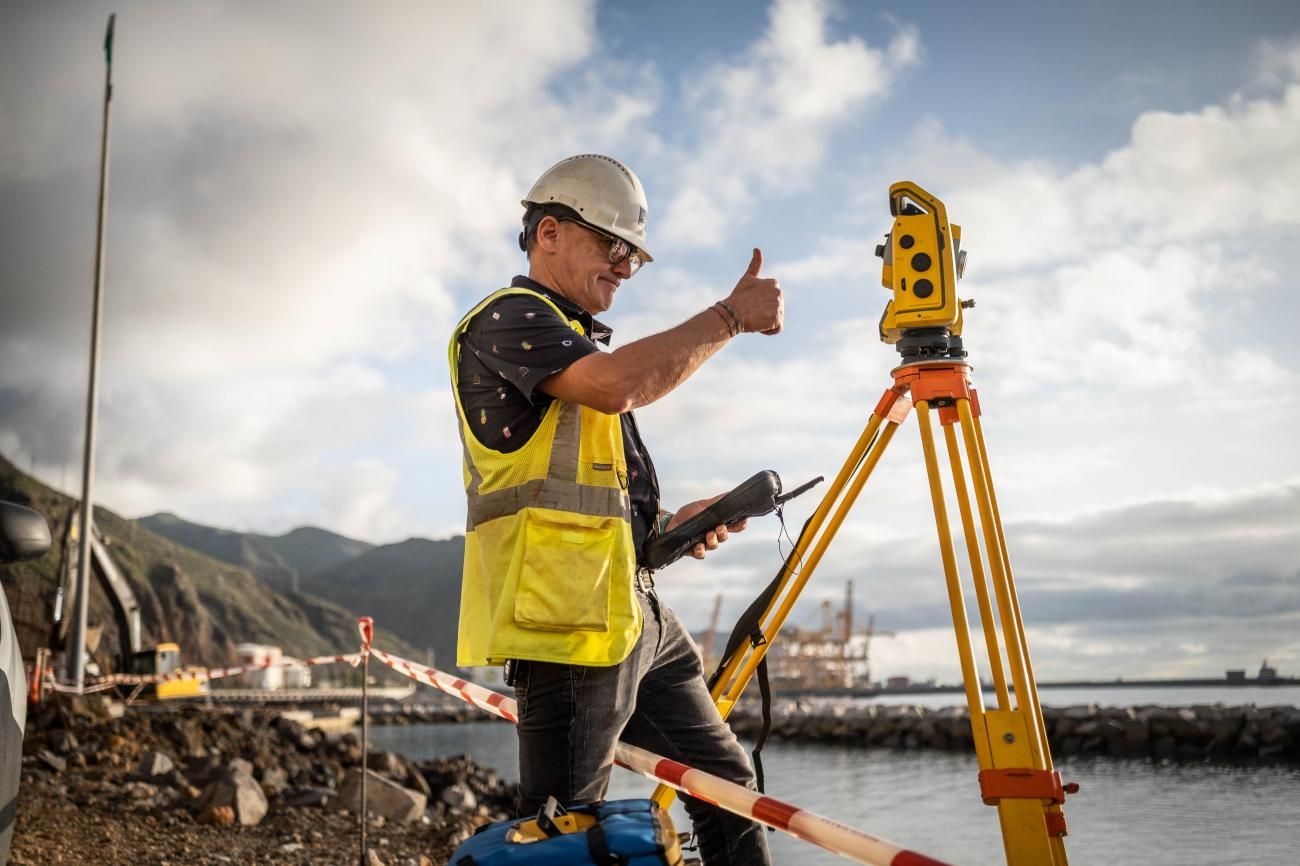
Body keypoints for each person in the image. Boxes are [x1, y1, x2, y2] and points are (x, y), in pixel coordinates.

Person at [449, 153, 782, 866]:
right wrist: (728, 317)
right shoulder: (509, 320)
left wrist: (669, 526)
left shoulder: (567, 341)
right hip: (567, 629)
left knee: (726, 786)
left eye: (633, 252)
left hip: (633, 614)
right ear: (549, 233)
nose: (627, 264)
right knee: (566, 840)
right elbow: (614, 386)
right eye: (613, 244)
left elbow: (590, 503)